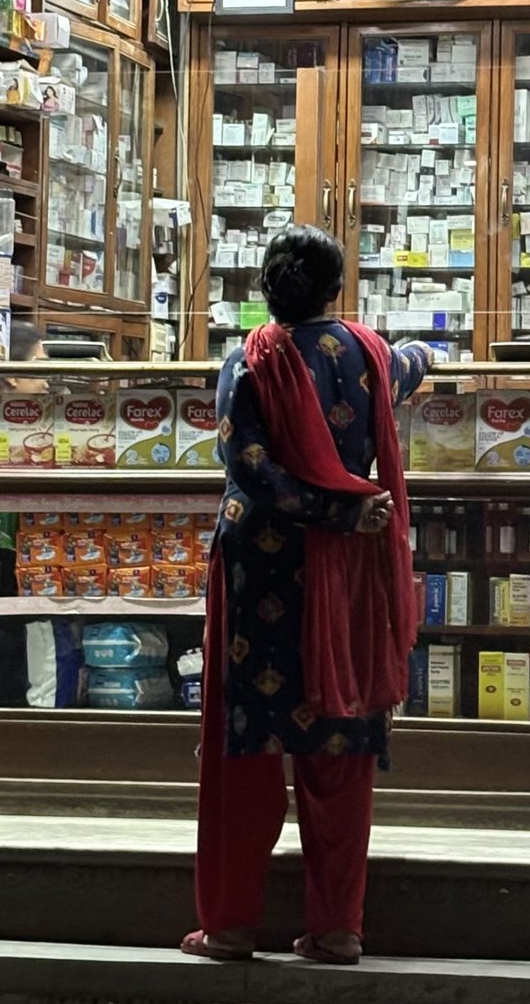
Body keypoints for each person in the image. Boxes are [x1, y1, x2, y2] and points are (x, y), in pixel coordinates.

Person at [182, 225, 432, 966]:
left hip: (258, 567)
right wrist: (348, 511)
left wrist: (325, 508)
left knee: (248, 746)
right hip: (344, 567)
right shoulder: (366, 355)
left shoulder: (247, 363)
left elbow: (250, 467)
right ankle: (337, 928)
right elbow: (408, 367)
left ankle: (229, 926)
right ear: (336, 290)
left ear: (267, 289)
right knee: (339, 738)